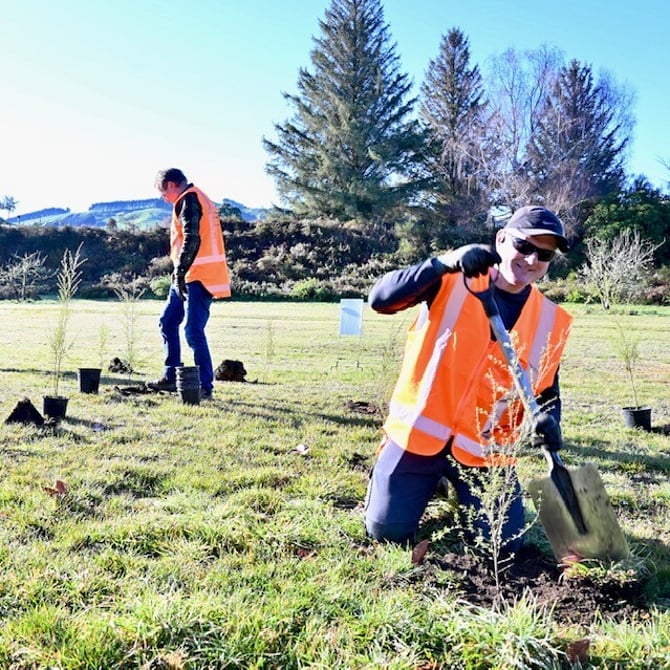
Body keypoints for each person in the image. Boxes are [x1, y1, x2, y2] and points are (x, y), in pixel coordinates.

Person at [364, 205, 573, 555]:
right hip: (418, 439)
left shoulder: (552, 320)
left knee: (502, 546)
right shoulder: (450, 280)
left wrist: (550, 419)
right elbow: (380, 300)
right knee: (387, 532)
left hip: (483, 451)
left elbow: (547, 390)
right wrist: (443, 262)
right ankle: (422, 480)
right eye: (524, 246)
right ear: (501, 239)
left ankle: (455, 487)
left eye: (544, 254)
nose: (532, 259)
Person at [148, 168, 231, 400]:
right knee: (167, 322)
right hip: (188, 274)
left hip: (197, 275)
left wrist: (180, 271)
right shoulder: (195, 198)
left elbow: (192, 238)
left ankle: (204, 386)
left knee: (193, 331)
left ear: (171, 185)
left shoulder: (190, 200)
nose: (163, 198)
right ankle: (171, 377)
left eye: (163, 193)